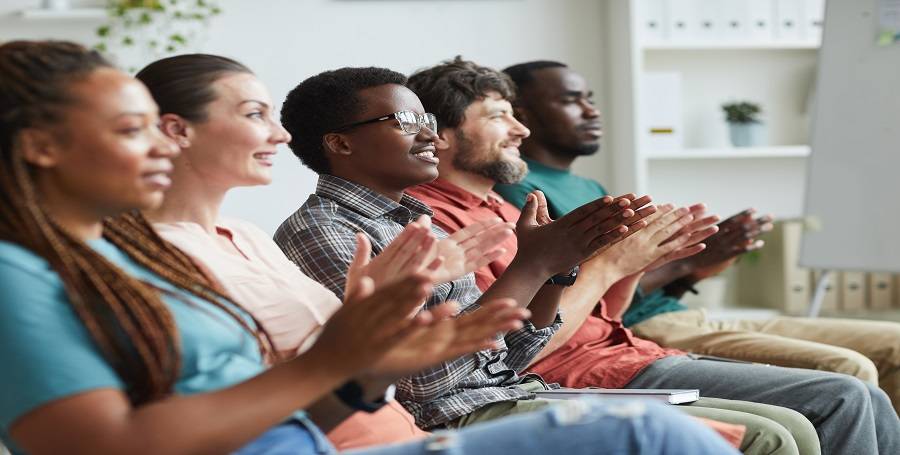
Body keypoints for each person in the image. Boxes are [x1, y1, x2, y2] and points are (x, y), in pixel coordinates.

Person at [0, 41, 740, 455]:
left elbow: (329, 392)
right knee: (651, 432)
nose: (429, 136)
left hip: (374, 426)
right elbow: (114, 444)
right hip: (418, 425)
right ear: (36, 146)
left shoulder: (144, 257)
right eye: (134, 130)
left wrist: (372, 359)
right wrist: (352, 354)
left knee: (677, 429)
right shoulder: (31, 275)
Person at [403, 56, 900, 455]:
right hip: (581, 373)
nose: (521, 131)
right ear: (439, 135)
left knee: (848, 393)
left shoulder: (501, 206)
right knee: (842, 395)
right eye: (498, 116)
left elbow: (604, 316)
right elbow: (525, 350)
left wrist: (643, 260)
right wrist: (613, 265)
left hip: (624, 350)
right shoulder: (434, 220)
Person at [137, 53, 513, 450]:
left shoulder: (247, 236)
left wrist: (374, 304)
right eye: (253, 115)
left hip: (396, 430)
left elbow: (347, 365)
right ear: (177, 130)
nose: (281, 136)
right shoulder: (158, 255)